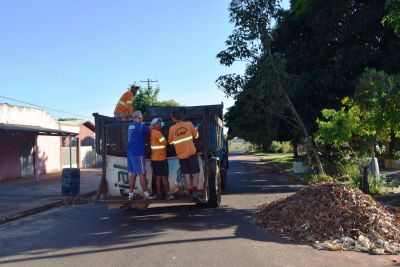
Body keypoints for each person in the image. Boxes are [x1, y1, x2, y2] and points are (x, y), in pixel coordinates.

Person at [168, 110, 200, 200]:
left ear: (174, 118)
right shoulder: (189, 124)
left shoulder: (171, 128)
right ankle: (194, 191)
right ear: (181, 117)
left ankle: (190, 191)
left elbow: (170, 142)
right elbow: (196, 136)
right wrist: (196, 131)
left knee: (186, 174)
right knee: (195, 173)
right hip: (191, 153)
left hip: (181, 155)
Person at [127, 110, 155, 200]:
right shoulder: (141, 126)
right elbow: (149, 129)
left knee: (133, 174)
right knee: (142, 174)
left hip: (130, 153)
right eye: (141, 118)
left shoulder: (130, 126)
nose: (142, 119)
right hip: (138, 154)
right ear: (137, 118)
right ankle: (146, 195)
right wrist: (155, 124)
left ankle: (130, 195)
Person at [150, 118, 174, 200]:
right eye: (157, 123)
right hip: (160, 159)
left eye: (160, 123)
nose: (159, 125)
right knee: (164, 177)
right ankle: (168, 194)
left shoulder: (152, 132)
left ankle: (159, 194)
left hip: (155, 158)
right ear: (153, 125)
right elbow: (164, 142)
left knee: (158, 177)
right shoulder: (157, 133)